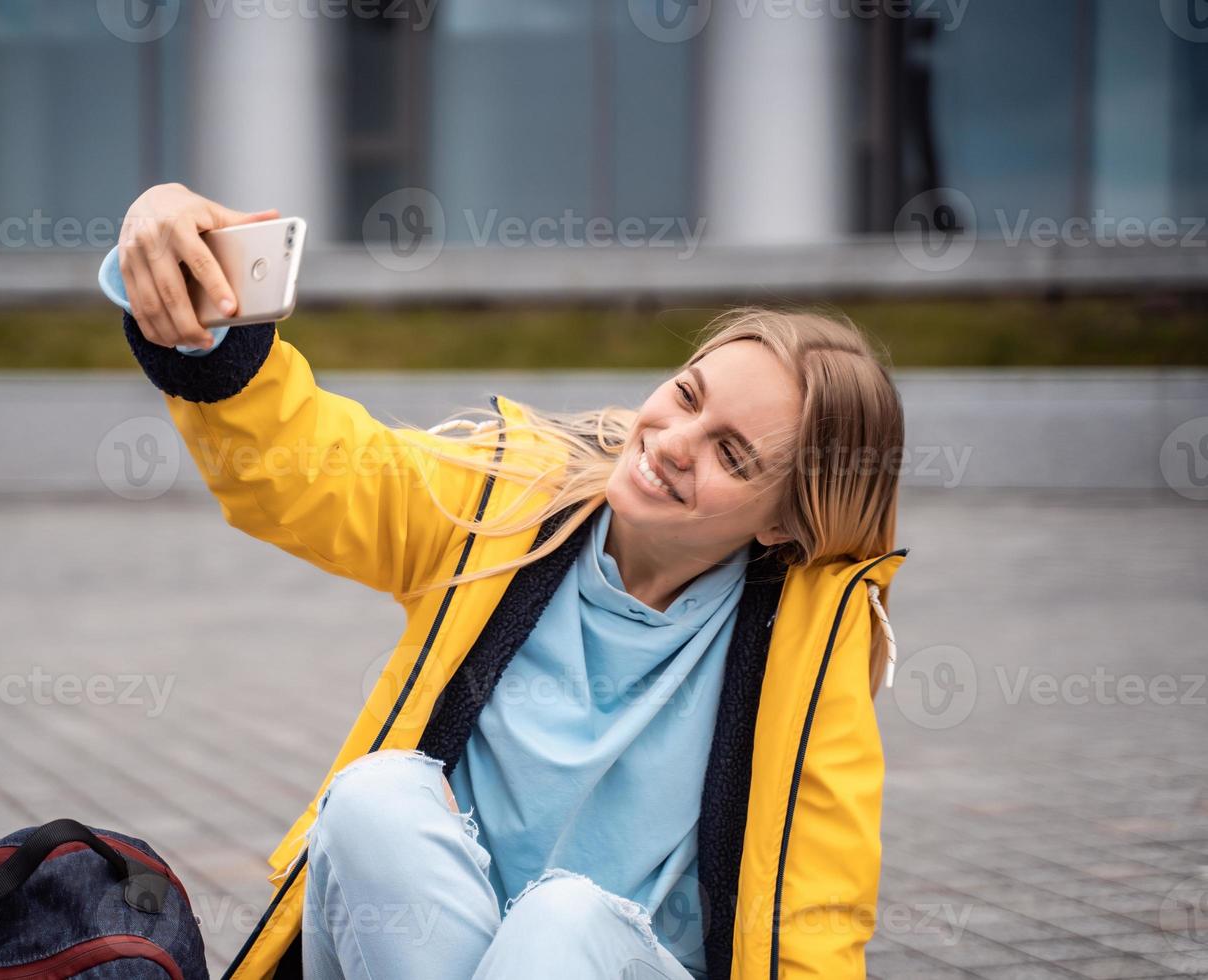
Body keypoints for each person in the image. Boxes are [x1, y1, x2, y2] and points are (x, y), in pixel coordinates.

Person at [100, 183, 909, 979]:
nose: (671, 441)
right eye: (687, 395)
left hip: (614, 960)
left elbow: (816, 918)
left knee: (566, 918)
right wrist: (201, 319)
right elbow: (318, 475)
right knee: (373, 796)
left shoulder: (809, 645)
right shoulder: (514, 503)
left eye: (732, 453)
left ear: (783, 521)